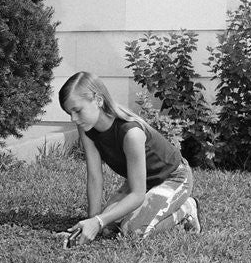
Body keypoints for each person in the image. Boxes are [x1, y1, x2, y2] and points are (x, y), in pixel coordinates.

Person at [59, 71, 200, 246]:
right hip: (141, 182)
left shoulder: (131, 133)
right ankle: (155, 208)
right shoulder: (86, 127)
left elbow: (137, 194)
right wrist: (92, 222)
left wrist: (98, 221)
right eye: (69, 113)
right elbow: (95, 177)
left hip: (173, 178)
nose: (74, 118)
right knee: (108, 227)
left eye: (77, 110)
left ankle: (187, 208)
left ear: (98, 100)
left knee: (132, 231)